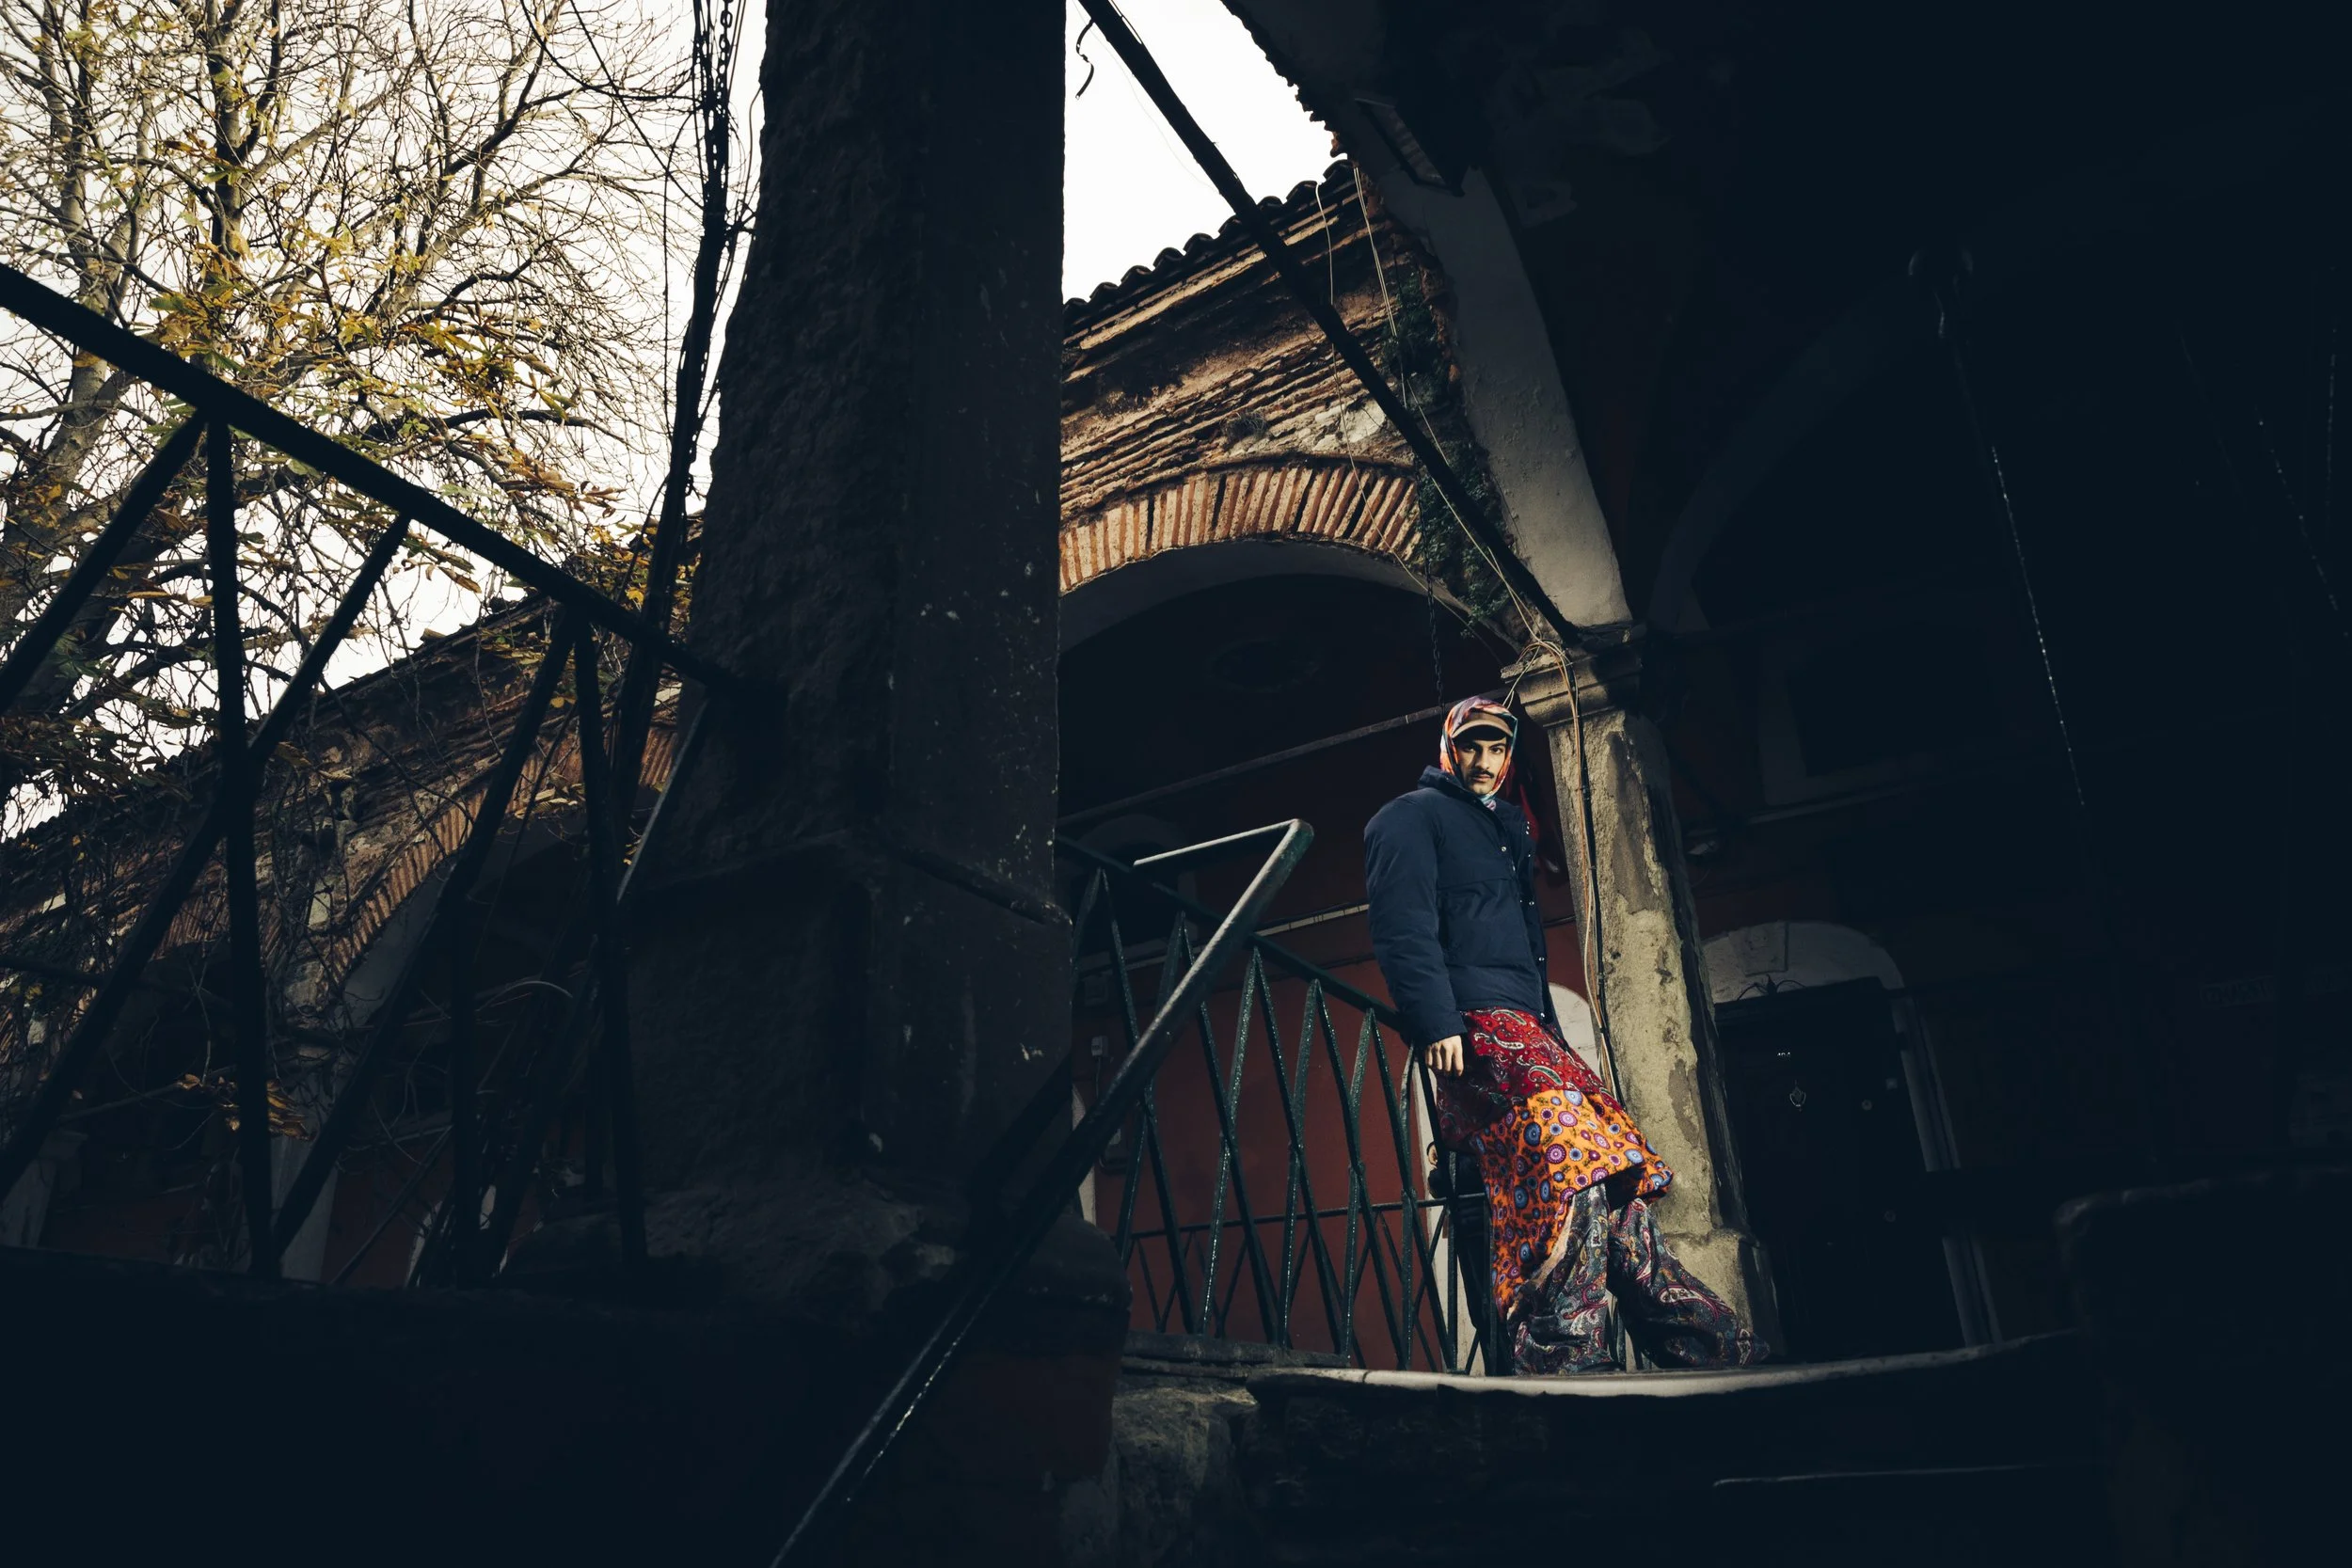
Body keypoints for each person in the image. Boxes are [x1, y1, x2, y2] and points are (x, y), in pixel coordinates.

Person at [1363, 695, 1762, 1373]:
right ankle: (1561, 1348)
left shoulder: (1505, 826)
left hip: (1532, 1026)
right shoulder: (1409, 817)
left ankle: (1702, 1341)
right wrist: (1434, 1021)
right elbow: (1402, 926)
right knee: (1574, 1165)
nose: (1484, 760)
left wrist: (1549, 1027)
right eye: (1471, 745)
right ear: (1447, 747)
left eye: (1497, 747)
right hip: (1478, 1025)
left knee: (1618, 1181)